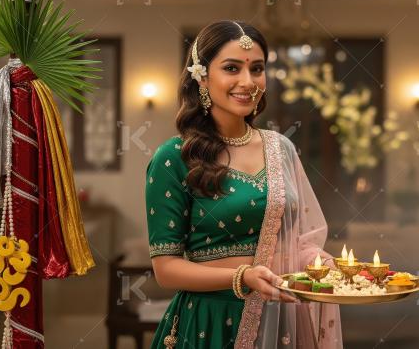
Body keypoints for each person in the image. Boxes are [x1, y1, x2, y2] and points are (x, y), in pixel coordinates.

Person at [145, 20, 342, 348]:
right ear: (202, 77)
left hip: (282, 322)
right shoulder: (175, 157)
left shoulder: (281, 148)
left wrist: (320, 264)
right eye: (232, 68)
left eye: (257, 68)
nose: (247, 82)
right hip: (210, 323)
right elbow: (166, 269)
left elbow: (299, 238)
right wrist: (242, 277)